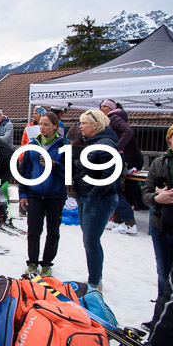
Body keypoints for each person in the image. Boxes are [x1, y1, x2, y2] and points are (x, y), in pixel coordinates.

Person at [72, 109, 119, 291]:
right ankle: (94, 278)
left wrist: (93, 196)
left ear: (96, 125)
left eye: (84, 123)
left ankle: (94, 282)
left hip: (98, 199)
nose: (81, 127)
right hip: (87, 197)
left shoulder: (106, 144)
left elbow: (110, 174)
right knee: (89, 240)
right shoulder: (93, 143)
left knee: (91, 241)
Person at [19, 111, 68, 277]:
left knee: (53, 231)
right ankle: (32, 262)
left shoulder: (64, 146)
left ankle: (47, 263)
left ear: (55, 126)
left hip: (55, 195)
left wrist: (55, 164)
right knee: (33, 230)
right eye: (41, 124)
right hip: (34, 193)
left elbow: (70, 173)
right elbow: (24, 171)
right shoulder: (32, 145)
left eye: (46, 124)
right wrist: (22, 193)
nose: (42, 127)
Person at [142, 122, 173, 308]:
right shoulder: (159, 163)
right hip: (161, 224)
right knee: (163, 272)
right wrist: (157, 197)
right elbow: (145, 195)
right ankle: (160, 316)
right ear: (170, 138)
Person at [100, 99, 146, 234]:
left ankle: (130, 223)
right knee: (112, 190)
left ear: (111, 108)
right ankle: (118, 220)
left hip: (122, 158)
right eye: (101, 106)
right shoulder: (110, 119)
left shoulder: (114, 118)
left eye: (105, 106)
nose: (102, 108)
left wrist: (118, 147)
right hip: (119, 157)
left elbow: (128, 131)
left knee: (115, 191)